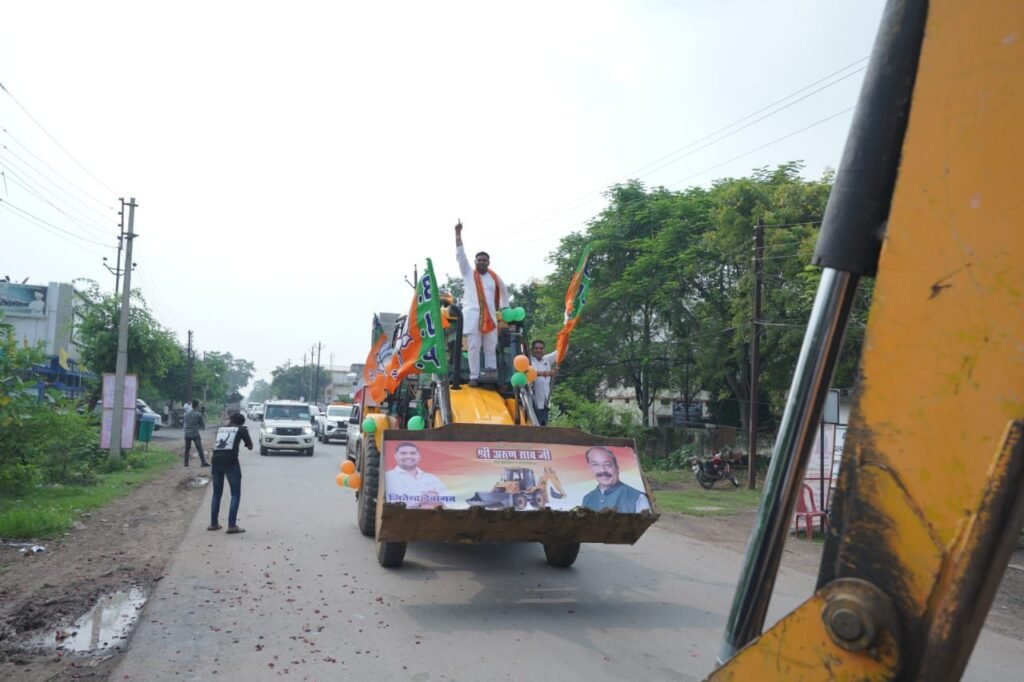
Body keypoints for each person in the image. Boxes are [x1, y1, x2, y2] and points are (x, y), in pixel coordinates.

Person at [455, 221, 509, 386]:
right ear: (475, 261)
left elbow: (504, 292)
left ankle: (491, 376)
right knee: (473, 348)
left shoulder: (494, 277)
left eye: (484, 260)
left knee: (491, 348)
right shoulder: (468, 274)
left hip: (490, 319)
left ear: (488, 262)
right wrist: (458, 235)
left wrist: (505, 308)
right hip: (473, 318)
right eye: (479, 260)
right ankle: (474, 377)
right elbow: (460, 256)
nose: (482, 262)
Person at [208, 412, 253, 534]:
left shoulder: (221, 429)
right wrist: (245, 432)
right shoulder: (241, 430)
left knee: (217, 493)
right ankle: (232, 525)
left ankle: (213, 523)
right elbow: (250, 447)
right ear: (242, 422)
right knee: (235, 493)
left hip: (216, 461)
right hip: (231, 463)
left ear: (231, 420)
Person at [581, 446, 651, 513]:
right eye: (595, 464)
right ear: (590, 468)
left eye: (607, 464)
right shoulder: (587, 499)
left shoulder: (638, 498)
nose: (602, 470)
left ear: (617, 467)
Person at [384, 441, 453, 509]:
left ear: (419, 457)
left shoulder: (431, 478)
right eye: (403, 453)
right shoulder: (388, 477)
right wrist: (421, 500)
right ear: (395, 456)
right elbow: (392, 503)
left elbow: (449, 501)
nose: (408, 456)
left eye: (413, 453)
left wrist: (438, 504)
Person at [529, 339, 558, 425]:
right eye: (536, 348)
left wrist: (565, 334)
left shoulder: (547, 359)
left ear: (544, 350)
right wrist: (547, 373)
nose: (539, 350)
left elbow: (561, 351)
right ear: (532, 349)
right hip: (532, 402)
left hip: (545, 402)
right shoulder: (528, 360)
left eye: (541, 348)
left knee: (543, 427)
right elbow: (530, 373)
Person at [182, 399, 208, 467]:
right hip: (195, 433)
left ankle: (186, 463)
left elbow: (185, 423)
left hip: (187, 433)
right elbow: (202, 425)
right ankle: (203, 462)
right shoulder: (198, 414)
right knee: (199, 448)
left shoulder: (187, 415)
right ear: (197, 406)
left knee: (187, 449)